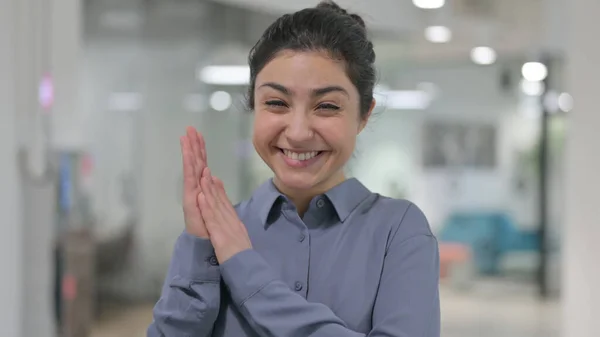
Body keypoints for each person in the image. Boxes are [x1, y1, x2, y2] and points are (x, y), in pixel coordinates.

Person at [147, 1, 440, 336]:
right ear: (253, 106)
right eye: (276, 103)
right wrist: (198, 246)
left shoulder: (399, 231)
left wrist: (245, 268)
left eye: (327, 106)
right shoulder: (219, 230)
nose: (298, 132)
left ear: (363, 115)